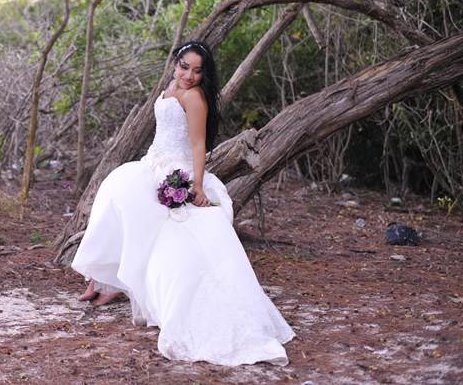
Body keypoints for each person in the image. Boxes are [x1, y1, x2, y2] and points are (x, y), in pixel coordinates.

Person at [71, 41, 295, 366]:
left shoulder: (194, 97)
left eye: (197, 70)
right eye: (184, 66)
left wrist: (197, 185)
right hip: (151, 164)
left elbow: (197, 142)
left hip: (177, 172)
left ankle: (127, 287)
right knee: (115, 193)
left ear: (204, 74)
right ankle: (106, 280)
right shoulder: (169, 89)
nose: (189, 75)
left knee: (172, 239)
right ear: (175, 63)